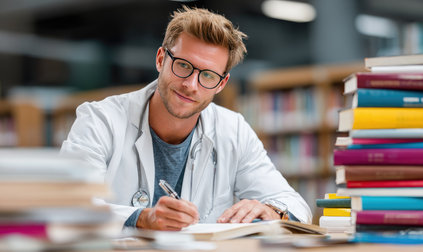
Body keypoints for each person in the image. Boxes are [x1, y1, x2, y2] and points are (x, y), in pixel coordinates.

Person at [60, 6, 312, 231]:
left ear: (221, 84)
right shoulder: (100, 119)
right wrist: (141, 218)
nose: (191, 85)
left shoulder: (233, 130)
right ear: (161, 59)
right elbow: (66, 202)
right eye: (183, 65)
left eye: (208, 76)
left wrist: (272, 211)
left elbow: (295, 205)